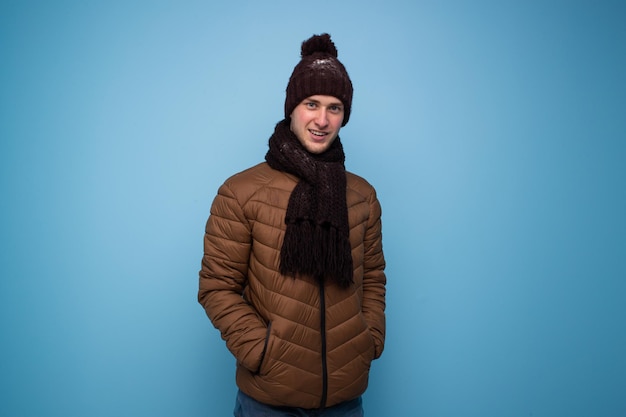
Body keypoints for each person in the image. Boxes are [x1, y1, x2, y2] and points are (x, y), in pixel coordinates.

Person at [198, 33, 386, 417]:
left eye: (334, 108)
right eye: (311, 104)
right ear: (292, 108)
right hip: (268, 400)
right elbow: (217, 287)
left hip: (345, 399)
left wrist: (369, 341)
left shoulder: (362, 195)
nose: (322, 119)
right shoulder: (241, 192)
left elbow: (374, 278)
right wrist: (262, 350)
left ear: (345, 116)